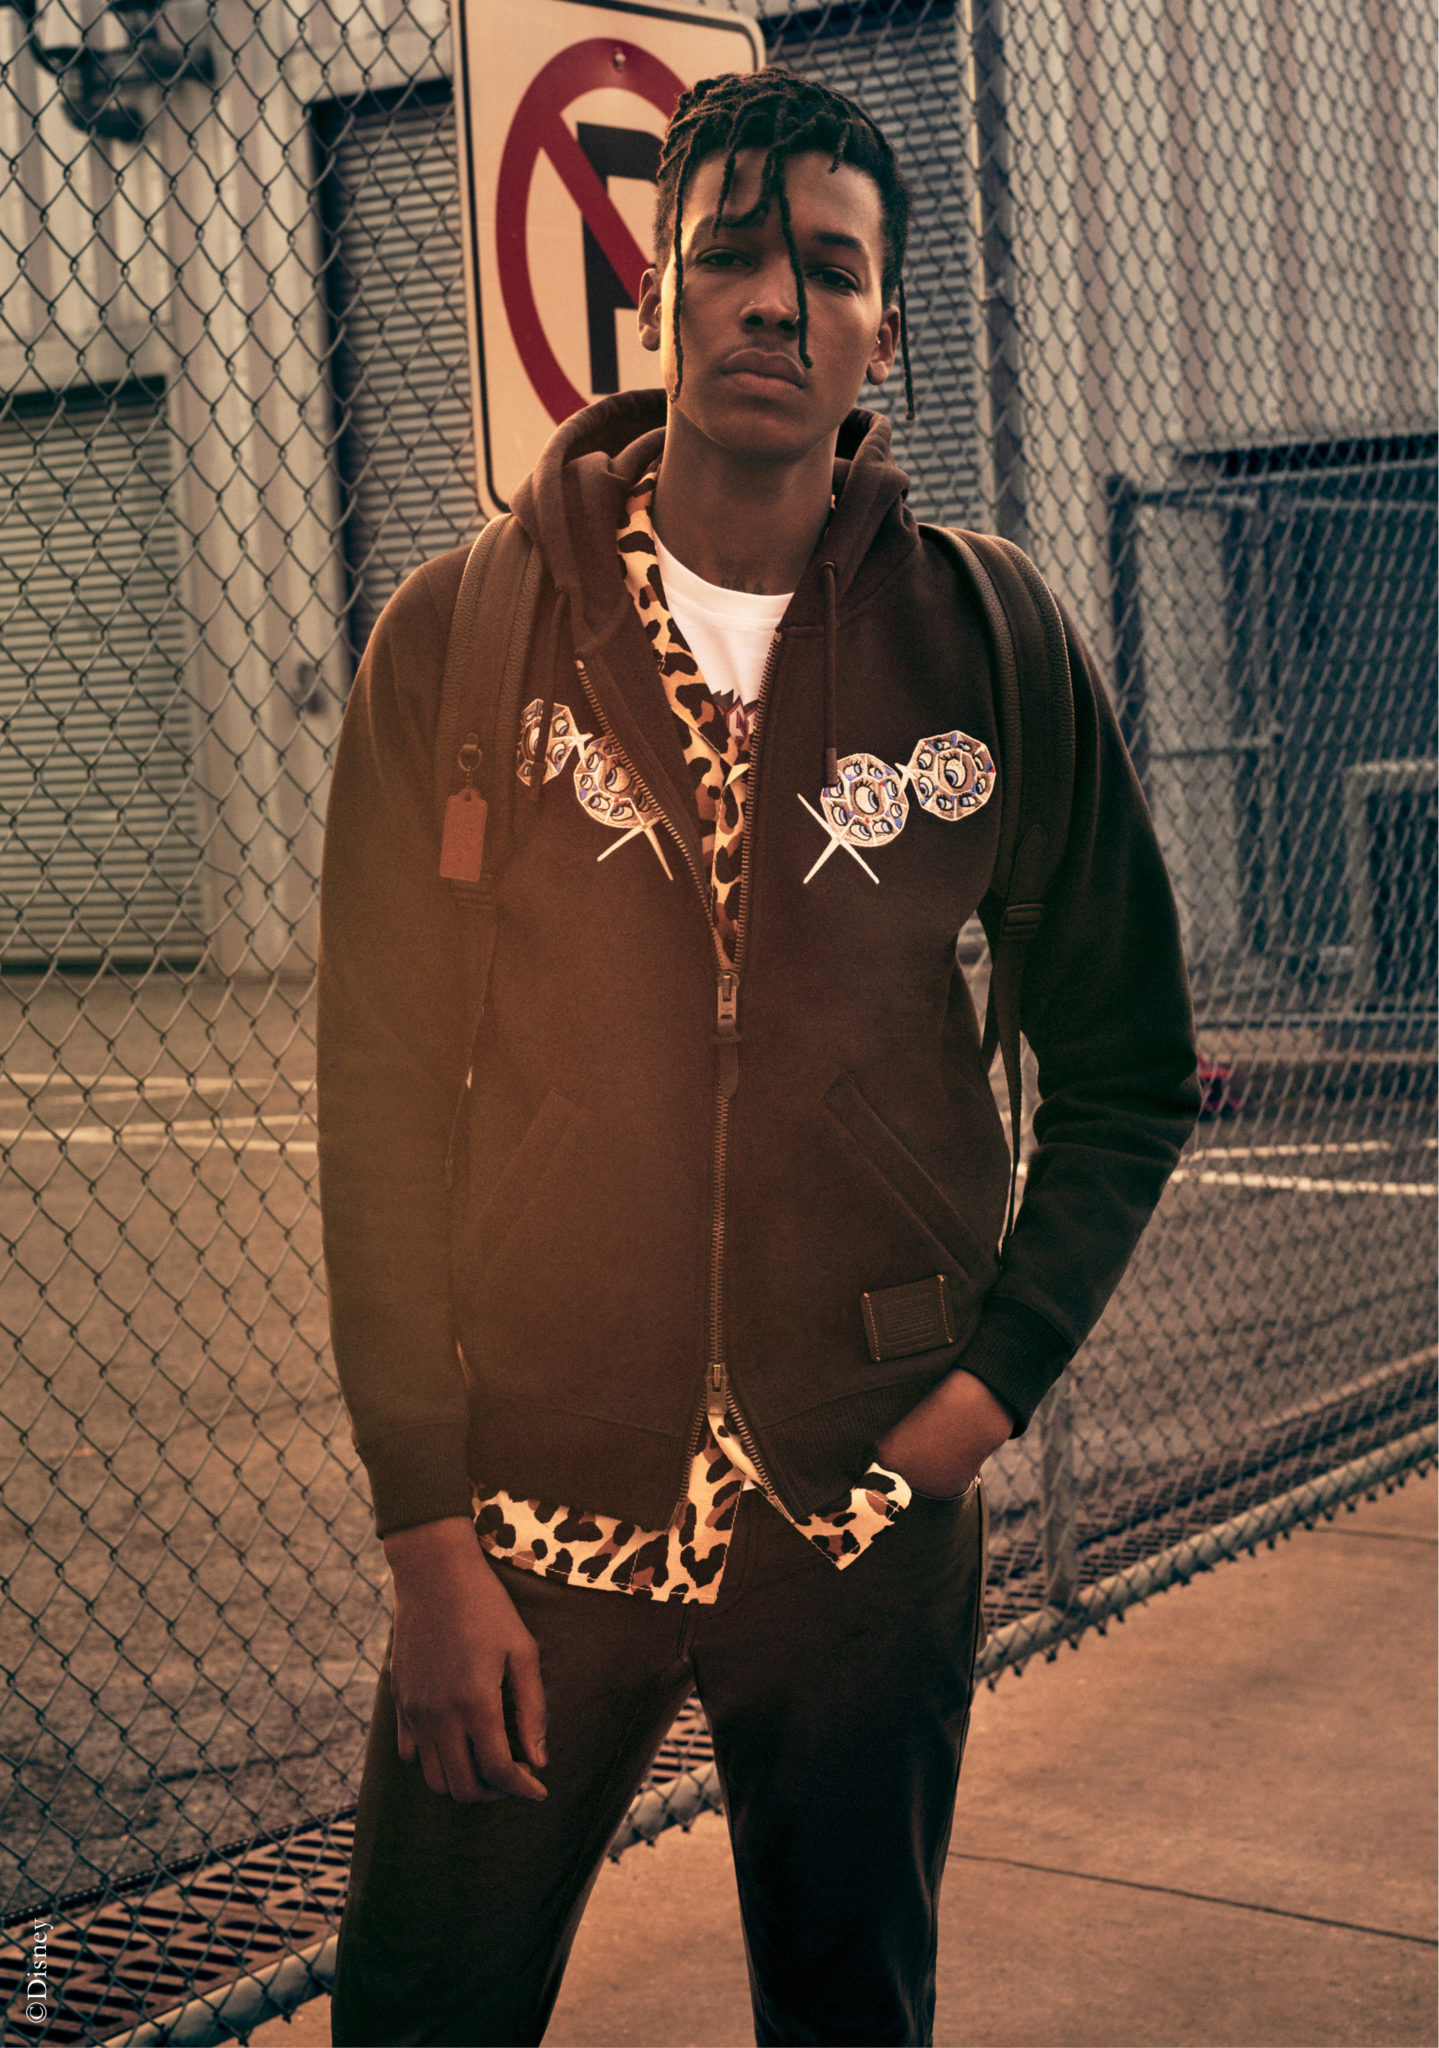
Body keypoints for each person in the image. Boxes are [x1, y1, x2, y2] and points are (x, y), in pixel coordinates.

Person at [317, 68, 1199, 2048]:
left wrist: (976, 1405)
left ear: (885, 327)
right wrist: (426, 1537)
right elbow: (375, 1105)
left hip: (864, 1508)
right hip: (536, 1519)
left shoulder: (986, 642)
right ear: (657, 294)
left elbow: (1132, 1067)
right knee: (423, 2013)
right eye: (730, 253)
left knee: (851, 2011)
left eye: (831, 267)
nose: (777, 301)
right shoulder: (464, 638)